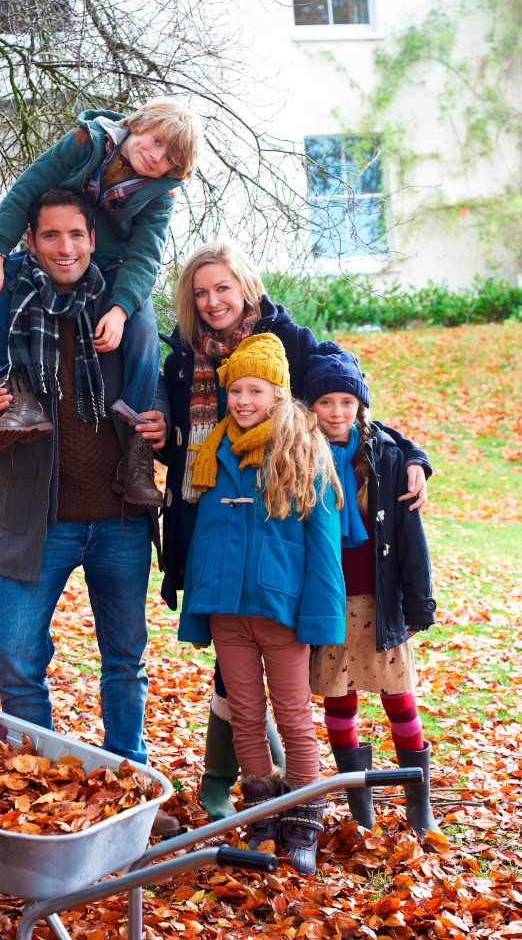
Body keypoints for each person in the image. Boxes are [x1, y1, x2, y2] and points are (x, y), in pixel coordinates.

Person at [158, 239, 433, 821]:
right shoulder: (184, 358)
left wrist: (410, 453)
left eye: (223, 288)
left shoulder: (290, 342)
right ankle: (231, 780)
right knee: (231, 655)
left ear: (247, 287)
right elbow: (173, 429)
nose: (212, 301)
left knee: (276, 675)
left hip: (281, 517)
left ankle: (279, 795)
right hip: (208, 510)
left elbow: (348, 401)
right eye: (200, 292)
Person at [0, 188, 180, 836]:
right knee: (18, 659)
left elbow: (160, 395)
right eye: (51, 237)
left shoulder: (126, 309)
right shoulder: (1, 314)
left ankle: (132, 788)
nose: (66, 247)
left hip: (120, 521)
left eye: (77, 234)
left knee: (124, 661)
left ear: (93, 238)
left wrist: (160, 425)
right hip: (36, 524)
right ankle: (40, 787)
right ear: (33, 243)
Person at [0, 96, 203, 507]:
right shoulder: (86, 141)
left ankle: (136, 457)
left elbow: (146, 254)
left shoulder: (159, 195)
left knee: (146, 334)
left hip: (111, 272)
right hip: (58, 255)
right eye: (155, 141)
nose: (156, 157)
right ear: (139, 124)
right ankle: (18, 395)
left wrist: (119, 309)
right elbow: (28, 187)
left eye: (169, 158)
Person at [178, 333, 346, 874]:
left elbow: (323, 546)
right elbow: (207, 538)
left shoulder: (303, 450)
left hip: (283, 612)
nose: (243, 401)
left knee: (294, 718)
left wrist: (320, 617)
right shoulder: (214, 450)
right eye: (235, 391)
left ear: (277, 393)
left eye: (255, 390)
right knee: (245, 716)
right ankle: (262, 817)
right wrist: (200, 605)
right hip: (228, 610)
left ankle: (302, 820)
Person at [305, 340, 440, 839]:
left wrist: (415, 603)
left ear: (360, 405)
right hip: (329, 601)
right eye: (325, 402)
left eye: (347, 401)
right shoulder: (302, 451)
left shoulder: (385, 454)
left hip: (381, 602)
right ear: (310, 406)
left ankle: (417, 804)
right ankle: (360, 807)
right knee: (339, 702)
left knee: (399, 699)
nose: (337, 412)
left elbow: (411, 538)